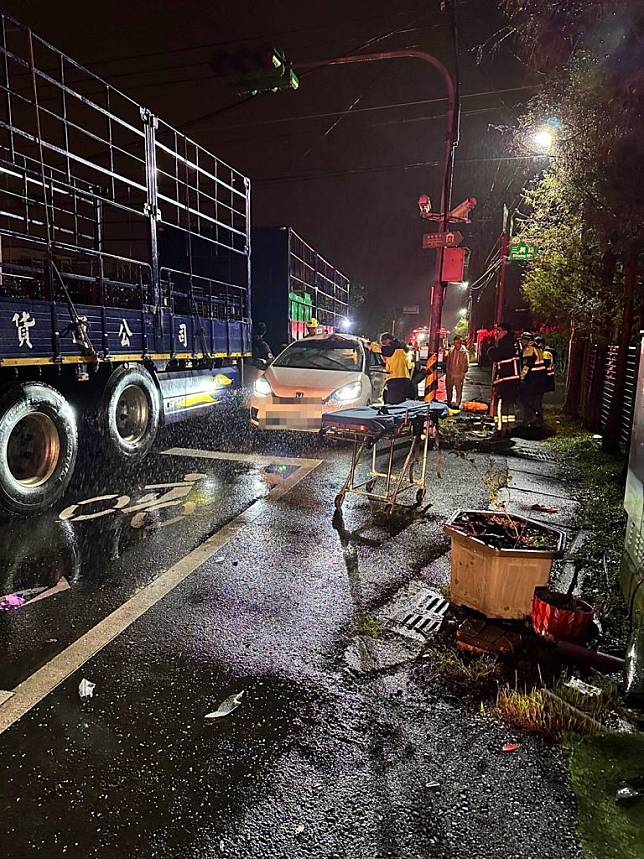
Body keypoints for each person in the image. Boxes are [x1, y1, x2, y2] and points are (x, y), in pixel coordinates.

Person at [487, 322, 521, 437]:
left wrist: (491, 348)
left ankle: (500, 428)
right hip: (512, 380)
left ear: (505, 332)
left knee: (500, 405)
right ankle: (509, 428)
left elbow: (496, 356)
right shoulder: (513, 343)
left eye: (499, 330)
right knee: (508, 404)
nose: (497, 333)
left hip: (506, 380)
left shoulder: (505, 343)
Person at [520, 332, 547, 427]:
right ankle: (539, 421)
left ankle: (530, 420)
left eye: (523, 340)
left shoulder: (529, 350)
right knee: (537, 402)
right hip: (541, 380)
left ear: (529, 341)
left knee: (528, 400)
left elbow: (526, 366)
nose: (522, 342)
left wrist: (521, 378)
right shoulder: (538, 349)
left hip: (533, 380)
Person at [380, 332, 415, 404]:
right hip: (405, 378)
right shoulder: (404, 348)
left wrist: (369, 345)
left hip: (395, 378)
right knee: (401, 403)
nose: (383, 345)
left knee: (392, 404)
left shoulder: (391, 349)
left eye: (384, 343)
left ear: (388, 340)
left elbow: (378, 348)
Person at [445, 336, 469, 407]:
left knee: (458, 390)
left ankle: (457, 404)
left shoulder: (464, 352)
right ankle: (449, 402)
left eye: (458, 343)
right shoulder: (451, 351)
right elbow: (448, 362)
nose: (457, 344)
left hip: (459, 375)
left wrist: (462, 373)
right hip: (450, 374)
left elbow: (466, 364)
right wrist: (448, 371)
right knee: (449, 389)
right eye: (455, 343)